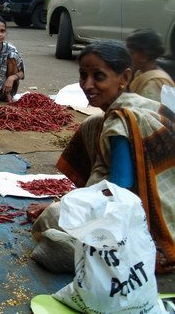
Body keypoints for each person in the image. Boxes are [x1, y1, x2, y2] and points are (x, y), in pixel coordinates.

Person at [35, 40, 174, 273]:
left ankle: (105, 257)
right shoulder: (132, 108)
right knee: (92, 124)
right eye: (83, 75)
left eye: (98, 76)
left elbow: (119, 192)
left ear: (124, 77)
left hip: (147, 220)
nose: (87, 85)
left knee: (51, 220)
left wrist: (69, 207)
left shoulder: (120, 122)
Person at [126, 28, 174, 102]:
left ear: (144, 56)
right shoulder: (141, 72)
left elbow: (145, 112)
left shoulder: (153, 84)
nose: (128, 56)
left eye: (132, 53)